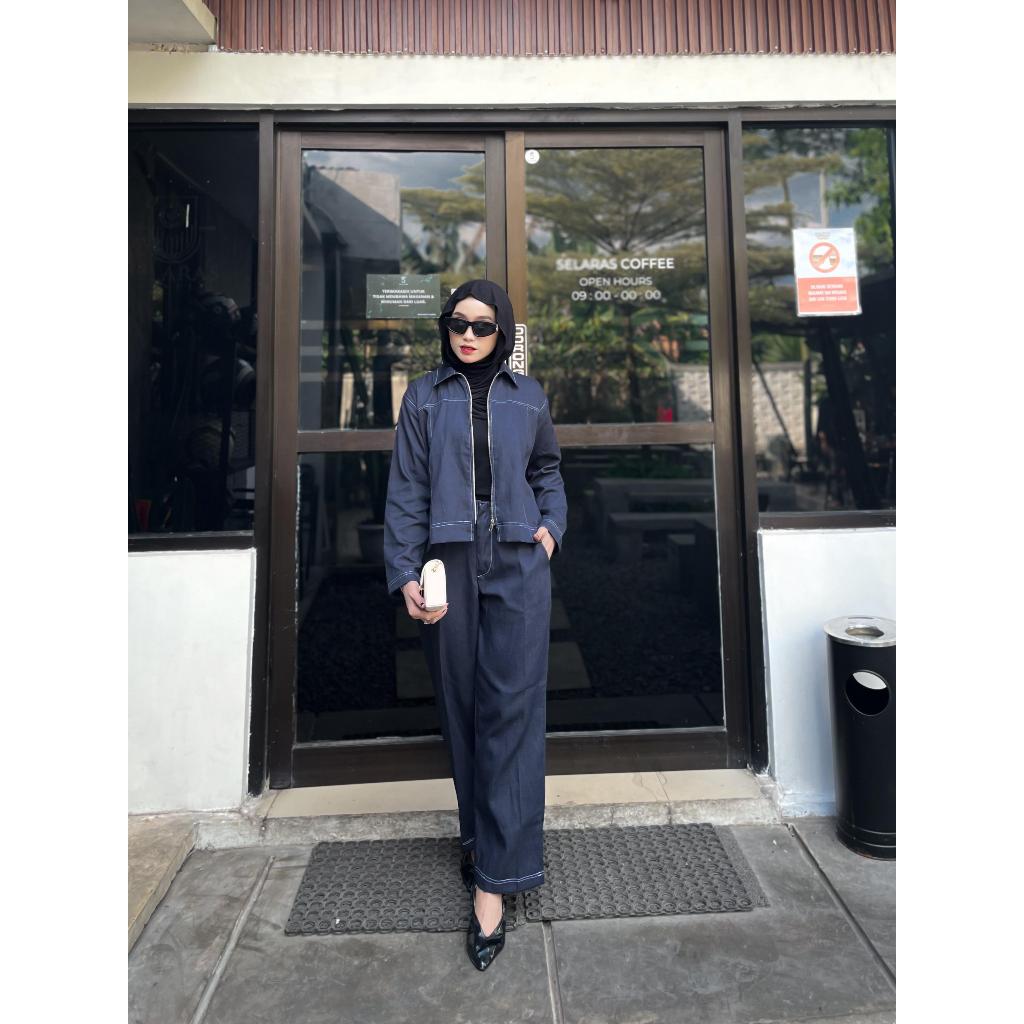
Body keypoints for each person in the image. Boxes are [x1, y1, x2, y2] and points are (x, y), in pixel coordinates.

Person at [383, 279, 568, 971]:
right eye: (457, 323)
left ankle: (495, 882)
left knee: (511, 711)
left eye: (483, 326)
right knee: (462, 707)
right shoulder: (424, 397)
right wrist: (405, 571)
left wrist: (550, 531)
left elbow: (548, 471)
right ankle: (481, 839)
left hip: (518, 559)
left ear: (503, 333)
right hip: (449, 562)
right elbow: (406, 490)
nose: (467, 335)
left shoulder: (529, 396)